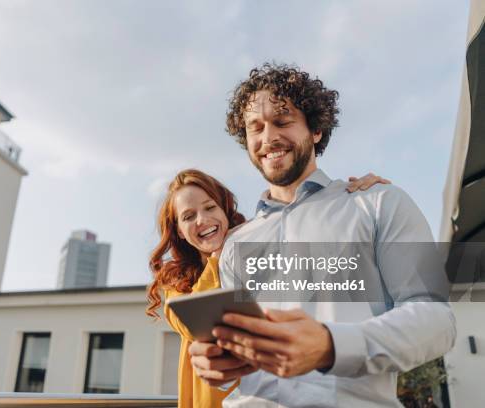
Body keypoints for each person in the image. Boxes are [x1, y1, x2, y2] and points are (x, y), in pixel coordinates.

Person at [188, 63, 456, 407]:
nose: (268, 138)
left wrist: (331, 344)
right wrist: (216, 359)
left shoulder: (378, 204)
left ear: (315, 130)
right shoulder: (235, 245)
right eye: (255, 127)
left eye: (282, 122)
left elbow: (437, 320)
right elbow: (239, 348)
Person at [147, 169, 390, 407]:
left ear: (224, 209)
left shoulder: (253, 245)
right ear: (179, 229)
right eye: (188, 216)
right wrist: (216, 257)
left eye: (210, 207)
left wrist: (354, 197)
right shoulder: (176, 283)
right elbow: (196, 325)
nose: (202, 220)